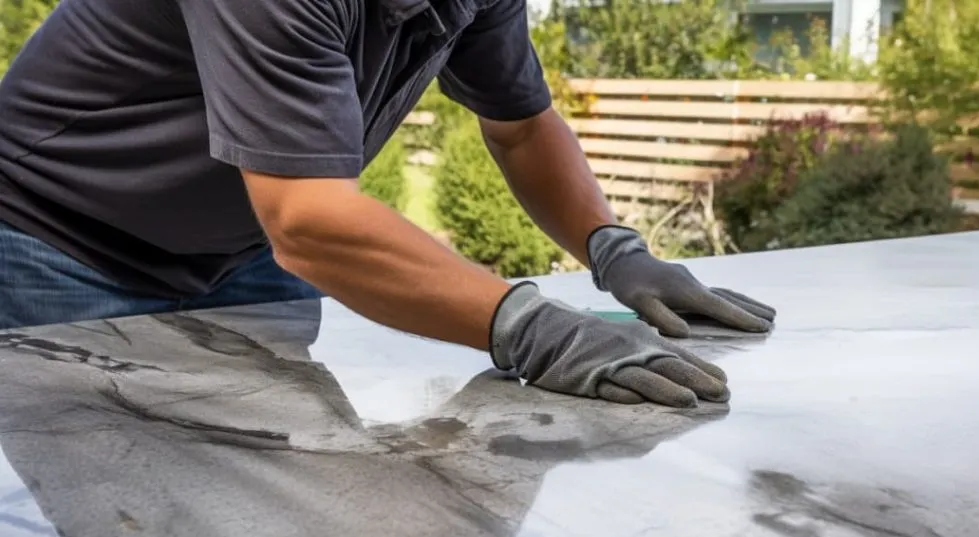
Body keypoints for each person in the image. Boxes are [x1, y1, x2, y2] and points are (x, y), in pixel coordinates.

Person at [0, 0, 777, 408]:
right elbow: (307, 221)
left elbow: (521, 126)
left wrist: (615, 250)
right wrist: (529, 327)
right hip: (59, 234)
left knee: (268, 473)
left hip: (240, 252)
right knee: (104, 475)